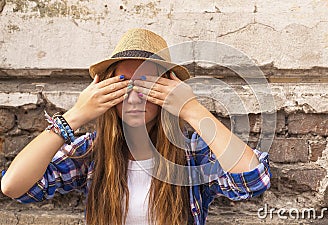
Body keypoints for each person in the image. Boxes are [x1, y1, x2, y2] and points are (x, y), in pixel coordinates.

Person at [0, 28, 272, 225]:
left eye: (147, 84)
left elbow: (253, 179)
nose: (134, 95)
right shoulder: (92, 152)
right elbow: (14, 186)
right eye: (122, 83)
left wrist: (191, 108)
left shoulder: (191, 156)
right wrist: (75, 116)